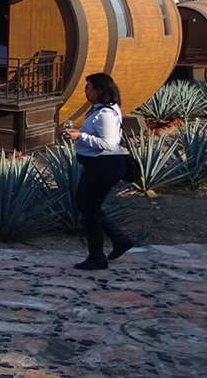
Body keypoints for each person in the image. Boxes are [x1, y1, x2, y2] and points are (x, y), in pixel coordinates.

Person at [62, 73, 134, 271]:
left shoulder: (105, 114)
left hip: (104, 164)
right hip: (101, 164)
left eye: (88, 87)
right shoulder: (104, 110)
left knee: (87, 206)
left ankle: (97, 256)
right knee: (89, 206)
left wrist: (80, 137)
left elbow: (109, 143)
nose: (85, 91)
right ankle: (119, 241)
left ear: (99, 90)